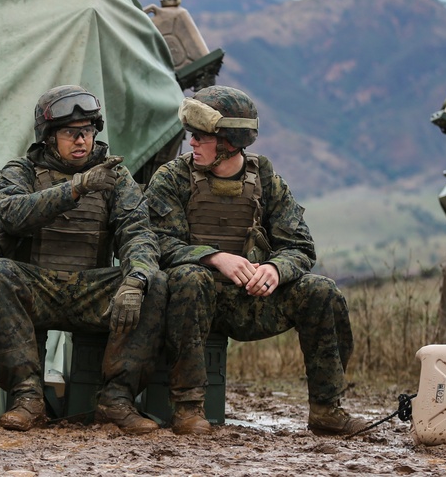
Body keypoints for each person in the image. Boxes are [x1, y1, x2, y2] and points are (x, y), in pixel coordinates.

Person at [144, 85, 368, 436]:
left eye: (201, 137)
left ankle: (327, 408)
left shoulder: (266, 181)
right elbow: (157, 242)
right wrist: (215, 258)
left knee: (321, 291)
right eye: (192, 136)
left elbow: (300, 246)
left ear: (229, 142)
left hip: (252, 301)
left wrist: (275, 269)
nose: (192, 144)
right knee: (190, 277)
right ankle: (188, 409)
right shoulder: (172, 178)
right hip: (193, 302)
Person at [0, 85, 167, 435]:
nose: (81, 140)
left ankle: (116, 401)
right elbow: (13, 214)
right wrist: (76, 188)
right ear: (48, 137)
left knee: (155, 282)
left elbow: (138, 234)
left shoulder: (116, 177)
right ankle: (28, 398)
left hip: (90, 290)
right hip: (38, 288)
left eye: (88, 131)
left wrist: (136, 280)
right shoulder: (21, 171)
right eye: (70, 133)